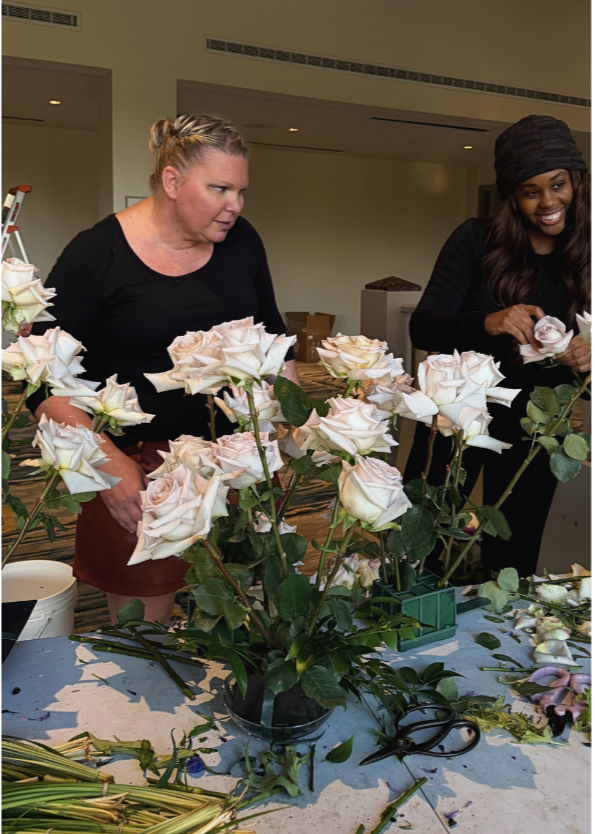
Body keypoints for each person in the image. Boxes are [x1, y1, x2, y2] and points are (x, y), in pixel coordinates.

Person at [27, 114, 298, 623]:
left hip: (234, 459)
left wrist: (296, 432)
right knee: (144, 638)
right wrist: (109, 472)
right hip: (134, 467)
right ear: (172, 181)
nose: (235, 205)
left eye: (241, 191)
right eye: (220, 188)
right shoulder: (96, 254)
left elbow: (271, 339)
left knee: (244, 621)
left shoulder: (242, 243)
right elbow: (41, 381)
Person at [405, 114, 591, 579]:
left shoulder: (587, 253)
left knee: (514, 554)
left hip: (537, 426)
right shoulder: (475, 240)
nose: (548, 202)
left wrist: (585, 357)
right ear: (513, 196)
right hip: (455, 414)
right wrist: (490, 322)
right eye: (531, 191)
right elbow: (423, 329)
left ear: (576, 182)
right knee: (415, 544)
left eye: (558, 184)